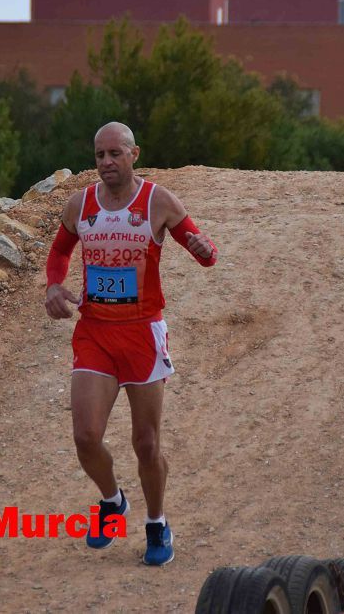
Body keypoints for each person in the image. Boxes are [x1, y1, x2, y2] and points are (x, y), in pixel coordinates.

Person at [44, 121, 218, 566]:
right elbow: (61, 251)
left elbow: (203, 251)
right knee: (85, 436)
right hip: (96, 333)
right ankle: (112, 502)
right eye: (99, 155)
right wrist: (53, 286)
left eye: (114, 154)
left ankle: (157, 523)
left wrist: (204, 248)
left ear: (133, 154)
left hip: (142, 334)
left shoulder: (158, 201)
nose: (105, 163)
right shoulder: (80, 204)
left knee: (146, 444)